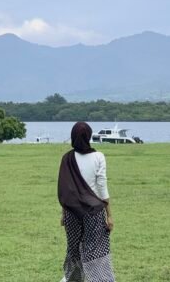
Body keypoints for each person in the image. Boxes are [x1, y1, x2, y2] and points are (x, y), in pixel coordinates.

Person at [57, 121, 115, 282]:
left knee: (73, 250)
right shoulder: (98, 157)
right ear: (89, 136)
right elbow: (102, 186)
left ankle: (72, 279)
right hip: (94, 212)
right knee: (96, 251)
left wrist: (63, 214)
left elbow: (65, 190)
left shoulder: (67, 158)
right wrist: (109, 215)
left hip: (71, 212)